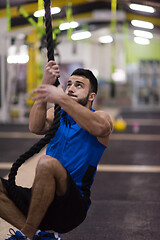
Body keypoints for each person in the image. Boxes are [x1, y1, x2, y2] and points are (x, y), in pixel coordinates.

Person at [0, 60, 113, 240]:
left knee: (47, 163)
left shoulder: (99, 117)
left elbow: (100, 128)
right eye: (69, 84)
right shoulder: (58, 114)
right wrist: (45, 84)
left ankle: (26, 236)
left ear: (91, 96)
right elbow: (35, 127)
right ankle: (40, 236)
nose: (71, 88)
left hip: (72, 205)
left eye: (78, 85)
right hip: (41, 196)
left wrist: (61, 98)